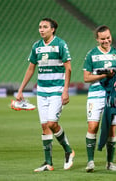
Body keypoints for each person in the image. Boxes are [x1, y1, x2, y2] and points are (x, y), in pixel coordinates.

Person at [16, 18, 75, 172]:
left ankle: (68, 150)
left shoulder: (60, 44)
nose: (41, 29)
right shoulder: (36, 46)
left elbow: (68, 68)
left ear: (52, 29)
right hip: (41, 91)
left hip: (57, 89)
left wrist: (66, 90)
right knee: (44, 126)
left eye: (45, 27)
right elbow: (30, 69)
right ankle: (48, 163)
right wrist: (21, 89)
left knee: (51, 123)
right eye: (40, 27)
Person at [83, 25, 116, 172]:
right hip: (95, 95)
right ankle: (90, 162)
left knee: (111, 130)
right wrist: (103, 75)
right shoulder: (91, 54)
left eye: (108, 37)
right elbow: (86, 77)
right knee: (93, 127)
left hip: (112, 96)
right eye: (102, 39)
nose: (106, 41)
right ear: (97, 39)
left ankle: (110, 163)